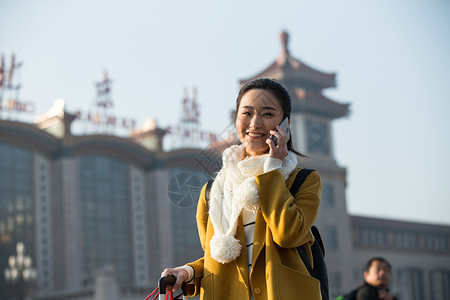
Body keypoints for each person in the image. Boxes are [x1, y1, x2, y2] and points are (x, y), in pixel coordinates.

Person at [161, 78, 323, 299]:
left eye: (267, 114)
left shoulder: (304, 181)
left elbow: (287, 234)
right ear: (235, 118)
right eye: (246, 113)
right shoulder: (213, 192)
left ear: (286, 124)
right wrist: (188, 271)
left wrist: (271, 171)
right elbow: (218, 257)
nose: (255, 123)